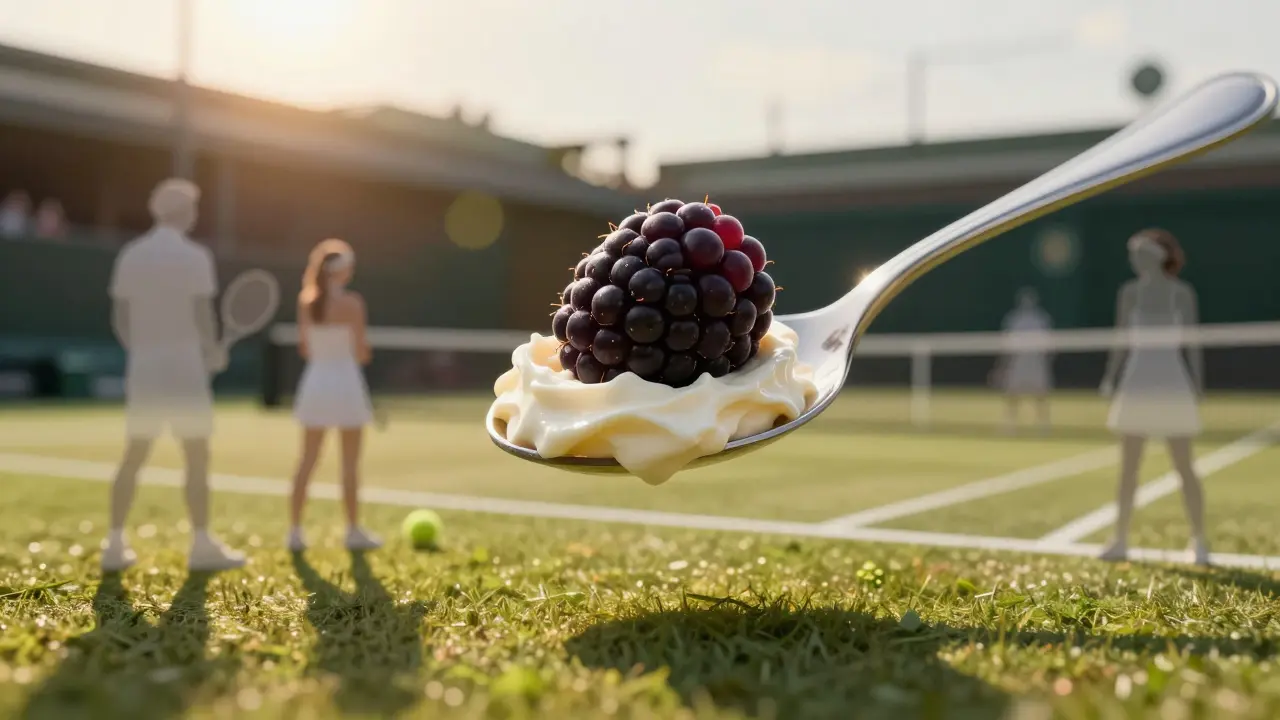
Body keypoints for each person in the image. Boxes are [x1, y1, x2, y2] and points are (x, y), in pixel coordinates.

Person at [104, 178, 245, 572]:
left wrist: (145, 353)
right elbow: (202, 316)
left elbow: (120, 320)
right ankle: (201, 544)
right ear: (185, 213)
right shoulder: (195, 257)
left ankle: (114, 544)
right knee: (196, 456)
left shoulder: (131, 254)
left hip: (146, 365)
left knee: (135, 452)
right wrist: (212, 352)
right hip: (184, 367)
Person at [1098, 228, 1208, 565]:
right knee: (1129, 467)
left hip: (1172, 382)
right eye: (1133, 254)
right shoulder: (1128, 293)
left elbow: (1193, 344)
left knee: (1183, 466)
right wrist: (1109, 377)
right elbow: (1120, 339)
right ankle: (1120, 539)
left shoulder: (1182, 293)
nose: (1135, 260)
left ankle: (1200, 541)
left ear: (1160, 255)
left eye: (1141, 252)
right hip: (1137, 382)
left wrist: (1199, 383)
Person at [287, 238, 381, 552]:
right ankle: (353, 530)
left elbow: (304, 347)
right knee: (350, 463)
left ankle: (295, 532)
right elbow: (362, 352)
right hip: (345, 384)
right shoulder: (353, 304)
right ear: (342, 272)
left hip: (315, 383)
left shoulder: (305, 302)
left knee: (307, 460)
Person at [990, 287, 1053, 434]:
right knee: (1012, 394)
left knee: (1040, 394)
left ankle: (1043, 424)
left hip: (1035, 362)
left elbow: (1048, 345)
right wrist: (1003, 365)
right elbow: (1006, 345)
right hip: (1018, 362)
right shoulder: (1014, 318)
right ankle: (1010, 424)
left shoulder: (1041, 318)